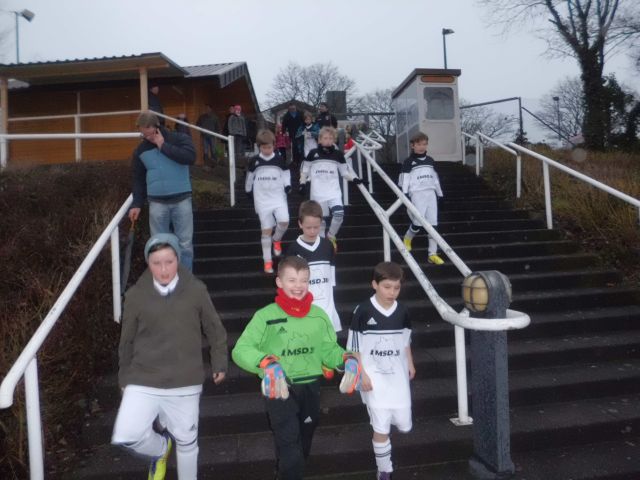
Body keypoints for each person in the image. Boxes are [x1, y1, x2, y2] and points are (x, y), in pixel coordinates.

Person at [231, 255, 361, 480]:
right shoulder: (265, 316)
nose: (298, 286)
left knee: (302, 444)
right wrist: (265, 362)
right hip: (280, 388)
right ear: (279, 282)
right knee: (290, 445)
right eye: (292, 280)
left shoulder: (319, 316)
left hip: (311, 388)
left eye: (303, 280)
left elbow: (328, 349)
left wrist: (345, 359)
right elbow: (240, 350)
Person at [112, 233, 228, 480]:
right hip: (144, 377)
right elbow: (127, 340)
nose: (163, 270)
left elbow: (215, 329)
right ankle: (161, 449)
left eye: (169, 262)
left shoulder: (196, 290)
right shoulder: (135, 296)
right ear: (148, 263)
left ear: (178, 259)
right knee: (127, 435)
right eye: (156, 263)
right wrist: (124, 376)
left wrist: (219, 361)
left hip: (184, 379)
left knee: (187, 441)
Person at [346, 261, 415, 480]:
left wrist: (410, 363)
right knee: (380, 426)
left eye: (396, 288)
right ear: (374, 284)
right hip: (373, 378)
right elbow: (354, 348)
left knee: (404, 424)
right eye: (387, 287)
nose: (392, 292)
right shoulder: (362, 311)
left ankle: (385, 440)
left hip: (397, 376)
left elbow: (405, 341)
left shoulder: (402, 311)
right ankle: (384, 469)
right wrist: (361, 374)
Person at [128, 111, 196, 271]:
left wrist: (163, 145)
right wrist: (136, 203)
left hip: (182, 199)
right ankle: (165, 279)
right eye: (143, 134)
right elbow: (138, 179)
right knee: (159, 246)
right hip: (156, 203)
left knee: (185, 245)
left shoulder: (179, 138)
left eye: (149, 133)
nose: (146, 138)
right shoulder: (140, 150)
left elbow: (190, 157)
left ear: (156, 126)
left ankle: (185, 280)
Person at [299, 126, 365, 251]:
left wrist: (355, 179)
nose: (328, 141)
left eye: (330, 138)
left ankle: (331, 236)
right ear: (319, 140)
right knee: (321, 220)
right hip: (317, 193)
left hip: (333, 191)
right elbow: (305, 170)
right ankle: (322, 244)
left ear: (334, 140)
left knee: (339, 214)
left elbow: (345, 172)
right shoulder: (312, 153)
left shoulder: (338, 155)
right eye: (325, 138)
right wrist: (302, 183)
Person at [286, 200, 341, 332]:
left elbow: (331, 276)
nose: (312, 231)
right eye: (308, 227)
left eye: (316, 227)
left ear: (321, 223)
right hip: (304, 304)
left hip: (326, 303)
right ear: (300, 224)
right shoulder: (293, 248)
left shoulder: (328, 246)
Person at [245, 129, 291, 273]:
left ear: (274, 145)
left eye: (269, 147)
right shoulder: (255, 161)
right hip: (262, 199)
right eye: (263, 147)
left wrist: (288, 185)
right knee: (266, 230)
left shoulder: (279, 159)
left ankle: (276, 239)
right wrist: (248, 190)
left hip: (278, 196)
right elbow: (250, 177)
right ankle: (267, 261)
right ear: (259, 146)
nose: (266, 150)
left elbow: (286, 173)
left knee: (284, 221)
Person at [399, 132, 445, 265]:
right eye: (419, 144)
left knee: (433, 224)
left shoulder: (430, 160)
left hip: (431, 194)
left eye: (424, 144)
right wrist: (404, 195)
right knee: (418, 223)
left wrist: (440, 194)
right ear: (412, 145)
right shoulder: (408, 162)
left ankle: (432, 254)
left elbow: (435, 179)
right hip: (417, 194)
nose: (422, 147)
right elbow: (404, 179)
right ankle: (407, 238)